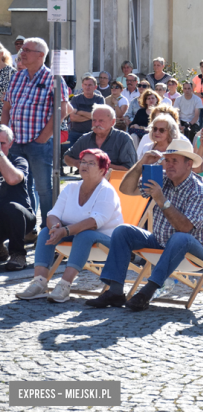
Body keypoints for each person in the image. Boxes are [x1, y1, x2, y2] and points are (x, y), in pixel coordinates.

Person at [84, 139, 203, 311]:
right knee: (123, 231)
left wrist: (161, 199)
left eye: (175, 161)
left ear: (189, 164)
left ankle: (147, 292)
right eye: (167, 160)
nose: (169, 165)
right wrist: (140, 165)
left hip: (195, 253)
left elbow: (185, 228)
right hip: (160, 242)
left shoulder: (200, 190)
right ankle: (115, 291)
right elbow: (126, 189)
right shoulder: (163, 178)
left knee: (180, 237)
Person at [16, 149, 122, 300]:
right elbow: (53, 214)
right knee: (47, 231)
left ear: (102, 170)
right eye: (83, 162)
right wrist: (55, 228)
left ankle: (64, 285)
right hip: (75, 237)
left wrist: (64, 231)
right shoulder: (71, 188)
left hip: (108, 242)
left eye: (91, 163)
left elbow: (94, 223)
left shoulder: (107, 192)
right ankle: (39, 283)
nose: (84, 165)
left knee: (85, 234)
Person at [2, 37, 69, 227]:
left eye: (26, 50)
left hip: (39, 144)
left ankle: (49, 228)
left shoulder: (53, 79)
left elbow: (61, 111)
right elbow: (6, 108)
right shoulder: (16, 76)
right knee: (19, 187)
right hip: (14, 143)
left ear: (40, 55)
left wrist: (42, 138)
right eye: (21, 49)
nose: (21, 52)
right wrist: (4, 135)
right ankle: (27, 227)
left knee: (44, 189)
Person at [0, 125, 35, 270]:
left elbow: (13, 179)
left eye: (1, 143)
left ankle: (18, 254)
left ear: (10, 143)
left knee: (12, 207)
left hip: (21, 218)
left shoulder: (18, 161)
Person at [64, 106, 136, 171]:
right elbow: (67, 157)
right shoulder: (86, 138)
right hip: (89, 183)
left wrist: (102, 166)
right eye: (94, 120)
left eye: (101, 121)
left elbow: (130, 168)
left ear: (112, 122)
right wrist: (77, 163)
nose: (96, 124)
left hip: (115, 182)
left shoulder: (123, 139)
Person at [68, 75, 105, 145]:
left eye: (90, 85)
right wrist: (91, 116)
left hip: (94, 133)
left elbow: (99, 117)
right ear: (82, 86)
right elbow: (72, 118)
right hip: (76, 133)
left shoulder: (99, 99)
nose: (87, 87)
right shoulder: (75, 99)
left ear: (95, 87)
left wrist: (80, 112)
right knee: (66, 150)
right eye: (85, 85)